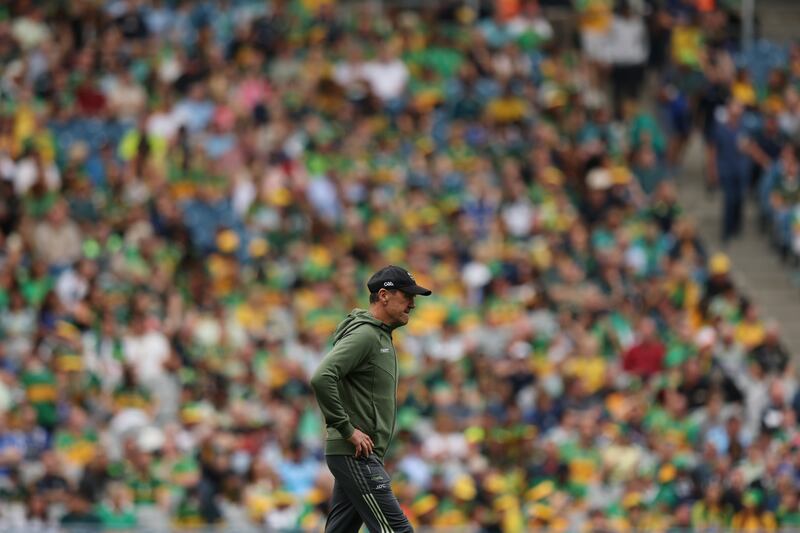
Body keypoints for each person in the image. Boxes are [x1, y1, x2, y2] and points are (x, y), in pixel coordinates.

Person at [311, 266, 432, 533]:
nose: (412, 303)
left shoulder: (379, 335)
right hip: (356, 453)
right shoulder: (366, 335)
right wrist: (346, 429)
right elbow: (322, 377)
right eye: (407, 296)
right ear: (384, 295)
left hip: (360, 453)